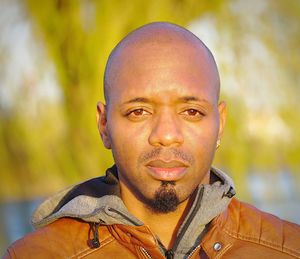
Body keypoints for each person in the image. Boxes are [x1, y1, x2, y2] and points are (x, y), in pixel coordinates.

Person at [4, 22, 300, 259]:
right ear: (104, 125)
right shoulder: (35, 255)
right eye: (139, 111)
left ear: (220, 123)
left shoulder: (287, 248)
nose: (166, 135)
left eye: (192, 111)